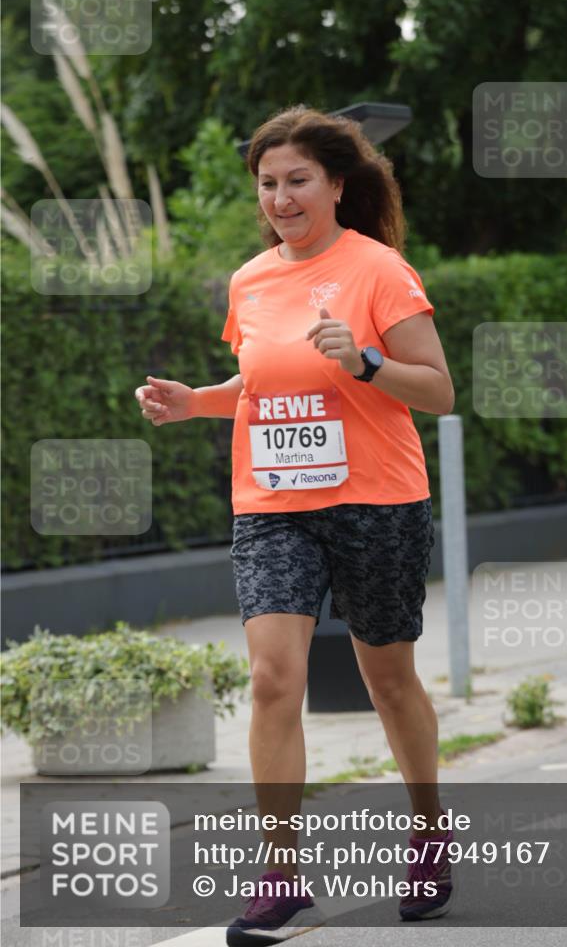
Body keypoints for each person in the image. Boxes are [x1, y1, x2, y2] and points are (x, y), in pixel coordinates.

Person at [135, 105, 456, 943]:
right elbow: (263, 382)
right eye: (267, 184)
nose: (280, 197)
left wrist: (367, 361)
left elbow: (438, 390)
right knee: (275, 676)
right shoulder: (249, 282)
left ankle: (428, 831)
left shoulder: (378, 269)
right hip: (274, 506)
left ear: (336, 185)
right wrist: (194, 402)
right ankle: (280, 874)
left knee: (388, 679)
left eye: (297, 180)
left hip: (375, 499)